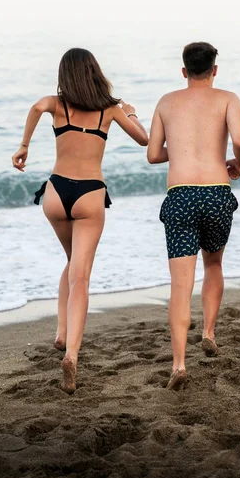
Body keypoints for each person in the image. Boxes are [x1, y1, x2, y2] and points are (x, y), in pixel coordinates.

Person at [12, 48, 148, 394]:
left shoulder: (58, 104)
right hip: (89, 194)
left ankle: (61, 333)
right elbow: (145, 141)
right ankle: (71, 353)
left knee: (72, 263)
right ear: (94, 73)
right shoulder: (110, 110)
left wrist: (24, 145)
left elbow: (35, 107)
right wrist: (133, 113)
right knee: (81, 276)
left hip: (56, 193)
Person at [148, 42, 240, 389]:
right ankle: (208, 332)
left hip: (180, 196)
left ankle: (178, 365)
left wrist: (179, 149)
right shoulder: (228, 98)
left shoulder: (166, 101)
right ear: (214, 70)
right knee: (214, 265)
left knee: (180, 285)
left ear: (183, 71)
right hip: (217, 194)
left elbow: (152, 154)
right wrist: (237, 161)